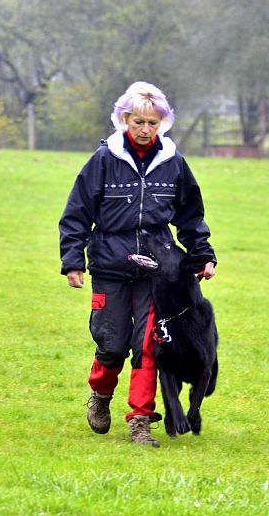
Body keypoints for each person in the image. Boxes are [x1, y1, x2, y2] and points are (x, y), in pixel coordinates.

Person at [59, 81, 217, 447]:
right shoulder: (103, 160)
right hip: (110, 266)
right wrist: (72, 261)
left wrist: (203, 255)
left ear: (162, 123)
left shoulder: (173, 163)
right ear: (124, 121)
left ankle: (140, 420)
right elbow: (76, 214)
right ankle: (100, 394)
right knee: (112, 344)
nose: (146, 130)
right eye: (138, 123)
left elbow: (191, 216)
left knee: (148, 347)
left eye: (153, 123)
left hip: (157, 273)